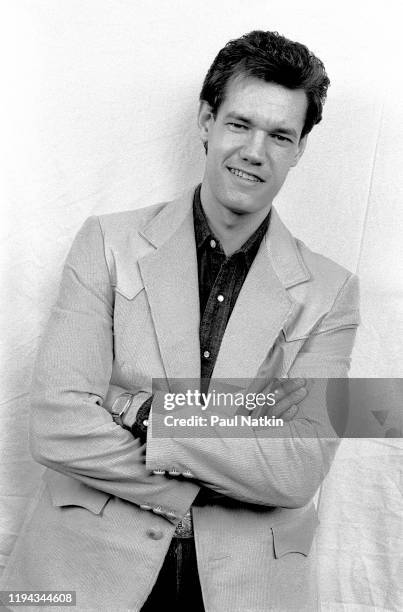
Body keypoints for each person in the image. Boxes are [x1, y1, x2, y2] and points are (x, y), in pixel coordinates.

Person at [0, 30, 359, 611]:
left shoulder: (333, 291)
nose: (254, 152)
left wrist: (140, 410)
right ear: (206, 121)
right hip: (84, 572)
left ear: (299, 150)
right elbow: (55, 423)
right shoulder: (107, 243)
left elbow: (297, 469)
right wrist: (239, 441)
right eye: (240, 124)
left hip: (247, 587)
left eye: (280, 135)